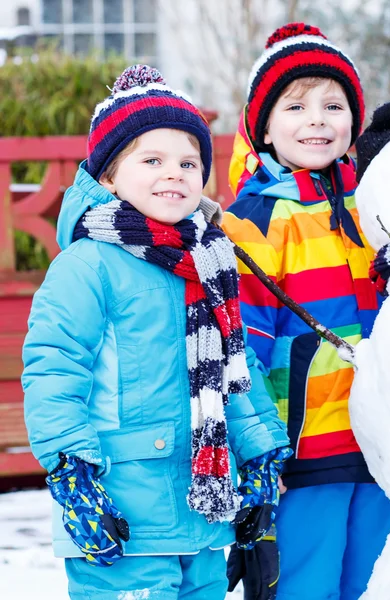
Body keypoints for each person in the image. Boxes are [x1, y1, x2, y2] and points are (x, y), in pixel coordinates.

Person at [22, 64, 289, 600]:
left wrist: (259, 456)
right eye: (152, 160)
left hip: (204, 511)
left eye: (189, 162)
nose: (175, 173)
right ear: (108, 178)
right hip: (121, 513)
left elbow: (236, 372)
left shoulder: (208, 262)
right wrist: (71, 474)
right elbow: (54, 369)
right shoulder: (88, 265)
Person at [223, 23, 390, 600]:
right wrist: (258, 442)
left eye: (333, 104)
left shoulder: (379, 204)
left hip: (383, 439)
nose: (317, 118)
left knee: (375, 580)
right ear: (264, 127)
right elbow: (241, 337)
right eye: (295, 106)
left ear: (354, 120)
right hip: (301, 446)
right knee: (304, 582)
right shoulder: (255, 218)